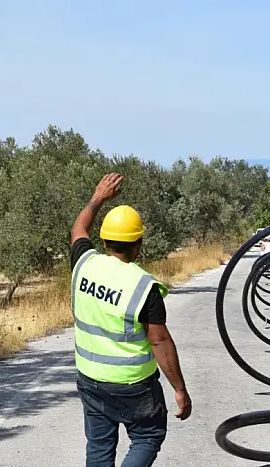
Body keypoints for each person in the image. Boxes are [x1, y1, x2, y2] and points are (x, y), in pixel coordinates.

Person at [69, 173, 192, 467]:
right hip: (133, 386)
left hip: (90, 378)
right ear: (138, 244)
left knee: (98, 447)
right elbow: (160, 341)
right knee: (148, 436)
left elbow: (78, 228)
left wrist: (98, 197)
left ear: (105, 239)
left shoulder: (84, 263)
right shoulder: (143, 287)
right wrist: (179, 389)